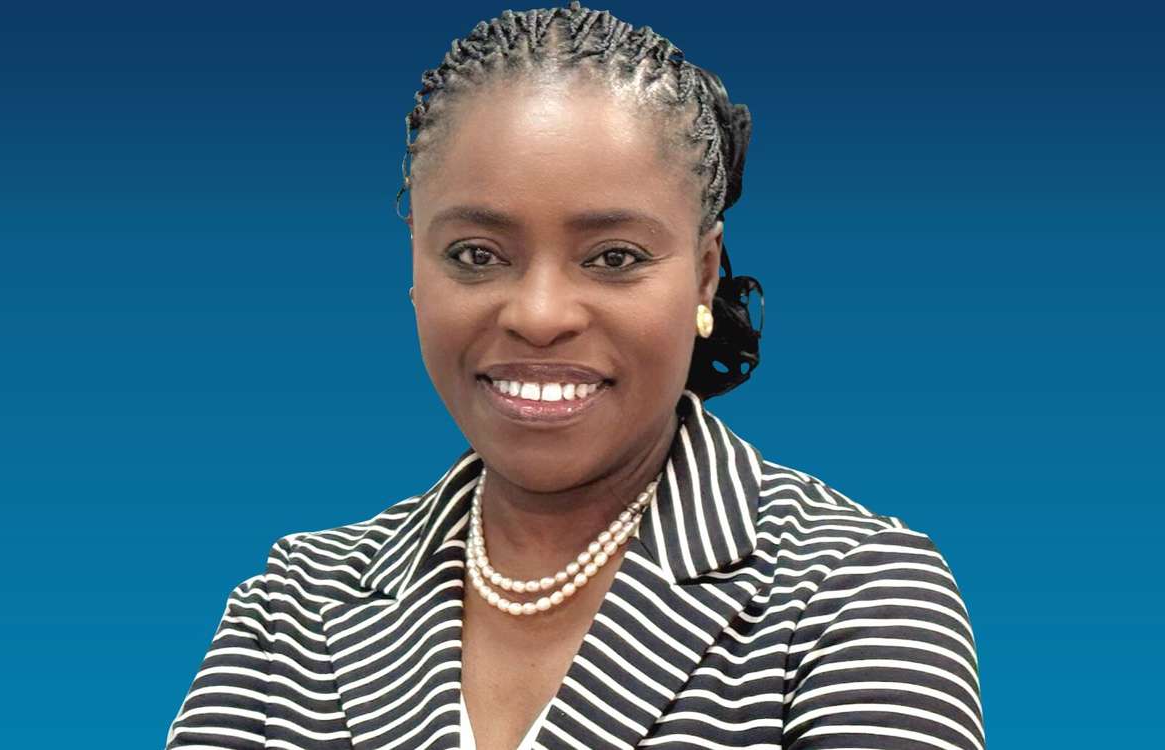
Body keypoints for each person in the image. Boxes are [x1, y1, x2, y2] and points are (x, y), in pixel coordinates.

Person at [165, 3, 985, 749]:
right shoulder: (294, 606)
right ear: (415, 264)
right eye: (476, 254)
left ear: (704, 276)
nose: (539, 314)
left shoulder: (855, 596)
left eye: (614, 257)